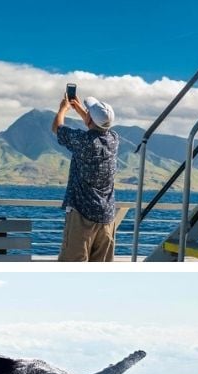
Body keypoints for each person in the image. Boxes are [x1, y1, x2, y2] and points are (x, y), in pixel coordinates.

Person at [52, 91, 119, 261]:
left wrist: (63, 109)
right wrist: (80, 109)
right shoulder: (113, 140)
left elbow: (57, 128)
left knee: (73, 269)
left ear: (90, 120)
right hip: (106, 218)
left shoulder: (84, 141)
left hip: (82, 216)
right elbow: (98, 125)